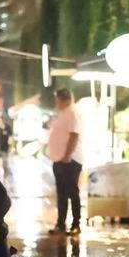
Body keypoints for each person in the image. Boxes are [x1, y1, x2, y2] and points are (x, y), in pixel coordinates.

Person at [46, 88, 83, 235]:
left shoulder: (72, 113)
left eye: (57, 100)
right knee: (61, 193)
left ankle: (76, 223)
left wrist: (67, 156)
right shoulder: (65, 114)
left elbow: (74, 135)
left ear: (62, 99)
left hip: (69, 160)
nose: (56, 103)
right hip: (61, 160)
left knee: (72, 192)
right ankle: (60, 223)